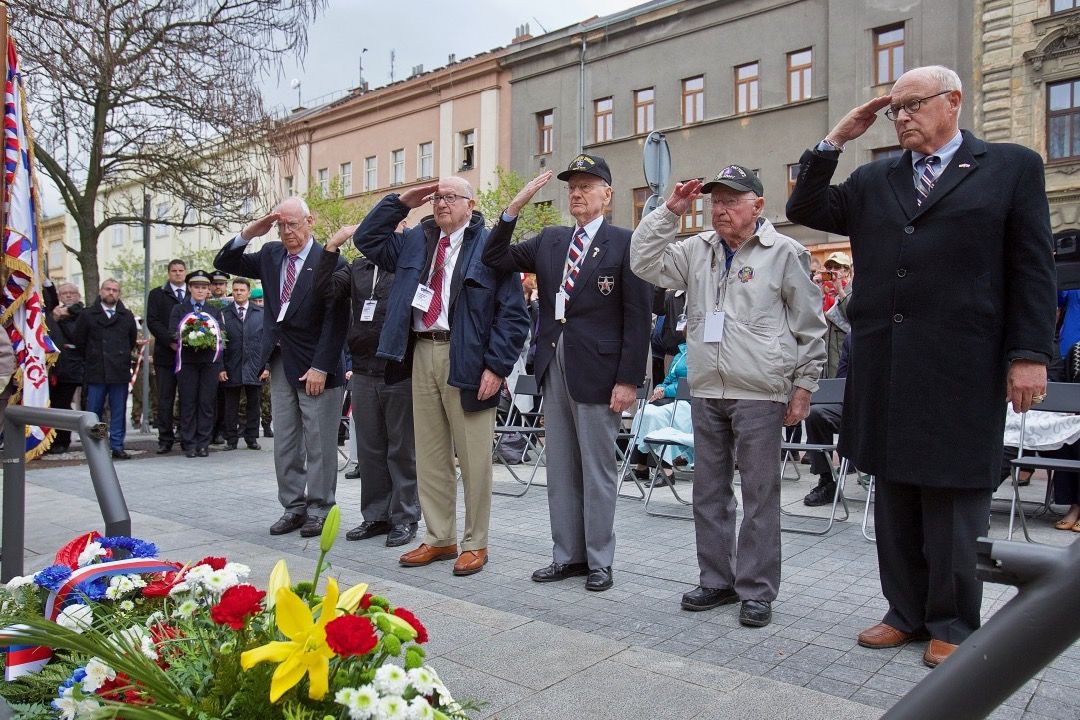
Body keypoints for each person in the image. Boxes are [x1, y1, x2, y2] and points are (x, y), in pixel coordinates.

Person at [786, 65, 1055, 667]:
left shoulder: (1009, 168)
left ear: (952, 101)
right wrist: (836, 139)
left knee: (954, 495)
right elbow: (804, 204)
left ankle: (954, 621)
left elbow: (1032, 268)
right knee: (895, 490)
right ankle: (903, 612)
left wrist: (1031, 355)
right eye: (894, 108)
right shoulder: (875, 178)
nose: (902, 116)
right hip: (887, 361)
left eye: (914, 105)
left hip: (964, 362)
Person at [632, 164, 826, 628]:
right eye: (714, 201)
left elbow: (810, 326)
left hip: (761, 391)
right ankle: (717, 580)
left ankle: (756, 590)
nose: (719, 209)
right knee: (708, 491)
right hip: (706, 387)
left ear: (757, 206)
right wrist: (668, 212)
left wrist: (804, 386)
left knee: (760, 494)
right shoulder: (695, 250)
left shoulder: (784, 252)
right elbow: (642, 262)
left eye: (730, 201)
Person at [482, 156, 652, 592]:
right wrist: (513, 208)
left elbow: (636, 317)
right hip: (553, 365)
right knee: (559, 468)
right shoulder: (552, 241)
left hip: (601, 370)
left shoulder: (624, 243)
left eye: (587, 185)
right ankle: (567, 556)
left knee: (597, 470)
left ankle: (599, 560)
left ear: (607, 195)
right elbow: (495, 255)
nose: (576, 193)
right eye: (572, 187)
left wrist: (629, 379)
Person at [353, 176, 528, 577]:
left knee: (474, 457)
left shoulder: (489, 245)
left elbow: (513, 315)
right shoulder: (417, 239)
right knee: (430, 454)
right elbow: (367, 239)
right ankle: (439, 536)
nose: (441, 203)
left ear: (471, 203)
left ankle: (475, 542)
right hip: (421, 350)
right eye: (437, 198)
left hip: (467, 355)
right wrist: (400, 202)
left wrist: (497, 367)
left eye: (450, 197)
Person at [214, 196, 349, 538]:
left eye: (293, 224)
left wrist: (321, 365)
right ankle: (294, 506)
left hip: (317, 364)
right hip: (279, 360)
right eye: (280, 225)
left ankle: (320, 507)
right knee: (285, 439)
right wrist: (251, 231)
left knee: (319, 442)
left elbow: (337, 320)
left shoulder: (329, 259)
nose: (287, 231)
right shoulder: (272, 255)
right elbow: (224, 260)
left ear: (310, 221)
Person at [317, 225, 421, 548]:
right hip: (362, 369)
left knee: (401, 448)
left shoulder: (407, 266)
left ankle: (405, 517)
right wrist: (332, 246)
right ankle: (376, 515)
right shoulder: (356, 268)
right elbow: (323, 291)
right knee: (371, 447)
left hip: (398, 368)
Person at [72, 279, 141, 460]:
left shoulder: (126, 316)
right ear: (101, 291)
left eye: (115, 290)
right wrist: (92, 357)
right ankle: (97, 445)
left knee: (118, 410)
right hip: (97, 369)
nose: (111, 293)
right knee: (95, 411)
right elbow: (80, 340)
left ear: (119, 293)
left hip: (119, 369)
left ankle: (117, 445)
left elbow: (131, 339)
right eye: (108, 289)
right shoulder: (88, 315)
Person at [168, 271, 225, 458]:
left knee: (207, 403)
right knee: (188, 402)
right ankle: (189, 443)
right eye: (197, 287)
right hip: (188, 362)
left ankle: (203, 443)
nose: (200, 291)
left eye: (204, 287)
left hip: (209, 363)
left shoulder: (215, 311)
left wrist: (220, 364)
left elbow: (222, 339)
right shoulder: (179, 309)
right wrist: (188, 338)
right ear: (190, 288)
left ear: (208, 290)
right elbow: (172, 333)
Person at [630, 342, 693, 485]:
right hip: (670, 399)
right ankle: (641, 466)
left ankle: (666, 470)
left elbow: (692, 382)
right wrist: (660, 387)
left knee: (654, 416)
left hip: (687, 402)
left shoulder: (702, 354)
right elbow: (668, 379)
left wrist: (666, 391)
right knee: (643, 413)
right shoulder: (680, 353)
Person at [802, 334, 851, 506]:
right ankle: (826, 481)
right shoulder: (853, 338)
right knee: (816, 414)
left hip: (881, 409)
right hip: (853, 405)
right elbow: (841, 382)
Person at [219, 277, 266, 451]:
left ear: (248, 292)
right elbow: (220, 344)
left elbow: (266, 341)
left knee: (254, 404)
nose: (239, 293)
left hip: (255, 365)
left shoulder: (260, 313)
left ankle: (251, 438)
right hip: (232, 364)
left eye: (242, 290)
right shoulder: (224, 313)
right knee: (231, 405)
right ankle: (231, 439)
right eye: (236, 290)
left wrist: (266, 366)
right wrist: (221, 367)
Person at [146, 259, 187, 453]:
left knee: (187, 398)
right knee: (165, 399)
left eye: (181, 270)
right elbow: (152, 321)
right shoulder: (157, 294)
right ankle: (165, 438)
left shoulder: (192, 293)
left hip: (189, 356)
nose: (178, 274)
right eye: (174, 271)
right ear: (169, 273)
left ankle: (186, 436)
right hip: (165, 355)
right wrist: (170, 340)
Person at [45, 282, 84, 454]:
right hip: (61, 368)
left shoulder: (82, 314)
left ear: (78, 295)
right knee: (59, 405)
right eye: (64, 293)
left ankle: (101, 440)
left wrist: (67, 316)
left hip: (81, 368)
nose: (68, 295)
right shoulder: (54, 315)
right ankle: (59, 440)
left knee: (95, 408)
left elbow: (77, 336)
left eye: (72, 293)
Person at [820, 251, 852, 379]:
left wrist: (840, 289)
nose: (832, 271)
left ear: (846, 271)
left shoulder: (853, 290)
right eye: (829, 268)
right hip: (826, 359)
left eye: (837, 267)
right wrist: (817, 292)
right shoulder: (825, 293)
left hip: (844, 358)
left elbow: (851, 316)